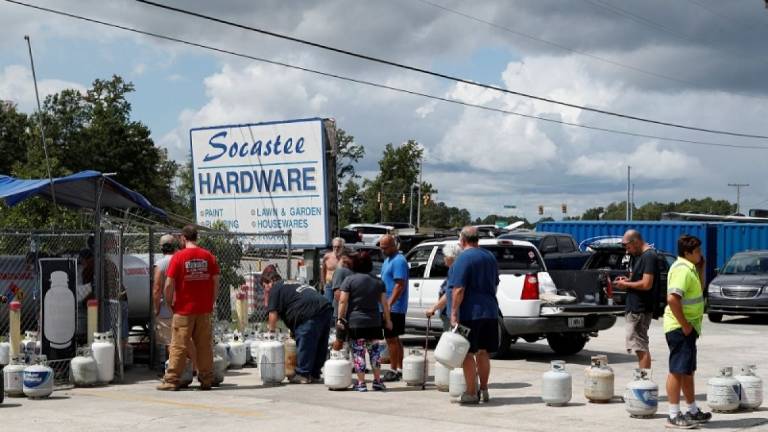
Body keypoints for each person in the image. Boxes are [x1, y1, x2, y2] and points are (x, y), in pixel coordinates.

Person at [157, 225, 220, 391]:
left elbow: (169, 284)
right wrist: (210, 302)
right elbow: (216, 283)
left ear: (183, 238)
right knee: (204, 345)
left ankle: (171, 380)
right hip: (204, 310)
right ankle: (206, 379)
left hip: (183, 310)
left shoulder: (178, 258)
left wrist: (169, 303)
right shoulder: (209, 257)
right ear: (196, 237)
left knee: (178, 345)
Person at [663, 234, 711, 428]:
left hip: (688, 328)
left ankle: (692, 410)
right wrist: (684, 325)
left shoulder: (689, 267)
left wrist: (702, 265)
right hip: (680, 327)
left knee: (687, 371)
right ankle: (673, 414)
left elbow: (700, 288)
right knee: (677, 370)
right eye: (697, 251)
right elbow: (672, 299)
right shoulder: (682, 270)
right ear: (687, 253)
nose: (700, 253)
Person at [448, 226, 499, 405]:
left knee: (466, 353)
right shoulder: (490, 257)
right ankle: (484, 389)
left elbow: (459, 289)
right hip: (490, 311)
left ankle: (471, 392)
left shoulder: (463, 258)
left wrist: (454, 313)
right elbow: (495, 284)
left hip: (470, 314)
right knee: (483, 352)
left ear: (462, 240)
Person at [263, 265, 333, 384]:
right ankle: (315, 373)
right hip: (325, 307)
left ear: (269, 282)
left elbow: (272, 313)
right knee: (320, 341)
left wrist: (271, 333)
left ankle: (303, 374)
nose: (266, 290)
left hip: (307, 311)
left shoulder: (275, 287)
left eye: (265, 287)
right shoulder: (293, 283)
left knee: (305, 338)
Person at [337, 252, 393, 392]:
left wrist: (340, 318)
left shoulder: (349, 280)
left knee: (358, 352)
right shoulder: (378, 281)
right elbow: (384, 304)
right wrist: (388, 320)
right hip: (374, 323)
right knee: (374, 353)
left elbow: (343, 301)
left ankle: (361, 383)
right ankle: (378, 381)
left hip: (356, 323)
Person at [613, 230, 659, 369]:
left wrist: (626, 284)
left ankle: (643, 382)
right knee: (639, 346)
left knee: (640, 347)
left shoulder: (649, 256)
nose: (628, 250)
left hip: (640, 309)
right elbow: (638, 279)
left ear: (636, 241)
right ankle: (643, 380)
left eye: (628, 247)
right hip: (635, 307)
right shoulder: (639, 256)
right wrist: (627, 280)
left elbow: (646, 284)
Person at [152, 234, 197, 375]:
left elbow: (157, 288)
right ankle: (195, 367)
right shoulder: (183, 260)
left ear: (161, 248)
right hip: (185, 306)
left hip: (167, 309)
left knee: (170, 341)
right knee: (187, 339)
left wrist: (156, 308)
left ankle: (175, 369)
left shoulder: (160, 264)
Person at [378, 234, 408, 381]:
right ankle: (400, 369)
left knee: (391, 339)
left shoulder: (399, 261)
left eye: (384, 248)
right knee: (394, 339)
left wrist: (389, 304)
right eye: (381, 247)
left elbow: (399, 285)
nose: (382, 250)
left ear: (393, 245)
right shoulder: (387, 260)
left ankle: (394, 370)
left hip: (394, 307)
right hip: (387, 305)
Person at [425, 242, 462, 331]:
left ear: (451, 257)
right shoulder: (455, 270)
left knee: (453, 342)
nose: (443, 258)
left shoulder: (455, 270)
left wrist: (433, 308)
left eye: (445, 256)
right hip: (451, 315)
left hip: (453, 317)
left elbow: (448, 294)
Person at [329, 250, 354, 350]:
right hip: (343, 312)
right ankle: (338, 360)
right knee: (343, 340)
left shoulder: (340, 271)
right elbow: (337, 294)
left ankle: (340, 361)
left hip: (343, 313)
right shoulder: (343, 271)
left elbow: (337, 293)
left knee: (341, 340)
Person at [321, 237, 345, 312]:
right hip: (329, 285)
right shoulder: (327, 256)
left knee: (339, 307)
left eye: (338, 247)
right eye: (334, 246)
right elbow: (323, 270)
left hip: (341, 286)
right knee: (328, 306)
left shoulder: (345, 258)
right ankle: (329, 322)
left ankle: (338, 321)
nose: (336, 249)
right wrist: (323, 284)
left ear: (342, 247)